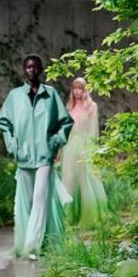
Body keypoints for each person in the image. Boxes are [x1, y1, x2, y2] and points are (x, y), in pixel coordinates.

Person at [0, 54, 71, 259]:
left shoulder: (50, 95)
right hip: (23, 157)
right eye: (28, 67)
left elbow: (65, 122)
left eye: (35, 66)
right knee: (26, 202)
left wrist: (55, 142)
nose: (32, 70)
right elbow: (4, 123)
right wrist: (13, 145)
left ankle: (32, 247)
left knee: (40, 200)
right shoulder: (15, 96)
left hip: (44, 156)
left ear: (41, 69)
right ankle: (34, 243)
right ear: (24, 69)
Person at [59, 77, 107, 228]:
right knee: (68, 180)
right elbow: (64, 130)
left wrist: (91, 150)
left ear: (85, 90)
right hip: (69, 146)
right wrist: (60, 149)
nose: (77, 91)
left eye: (80, 88)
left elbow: (93, 131)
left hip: (84, 146)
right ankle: (67, 217)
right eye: (74, 88)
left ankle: (88, 216)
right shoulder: (69, 107)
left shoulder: (92, 106)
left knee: (85, 180)